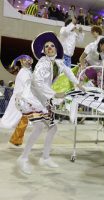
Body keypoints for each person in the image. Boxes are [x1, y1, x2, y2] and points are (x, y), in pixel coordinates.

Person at [15, 32, 83, 175]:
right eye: (47, 47)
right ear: (43, 51)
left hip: (42, 99)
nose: (50, 48)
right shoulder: (43, 63)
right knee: (39, 126)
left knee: (52, 128)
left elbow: (68, 72)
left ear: (57, 49)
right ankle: (23, 158)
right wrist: (54, 94)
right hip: (33, 98)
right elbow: (36, 81)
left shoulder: (58, 62)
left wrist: (78, 84)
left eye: (52, 45)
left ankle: (45, 157)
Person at [0, 55, 33, 147]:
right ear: (21, 62)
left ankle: (16, 140)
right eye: (25, 60)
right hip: (21, 100)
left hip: (24, 99)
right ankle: (16, 140)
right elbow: (25, 87)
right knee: (22, 120)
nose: (28, 62)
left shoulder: (28, 72)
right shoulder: (23, 72)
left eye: (29, 60)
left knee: (23, 120)